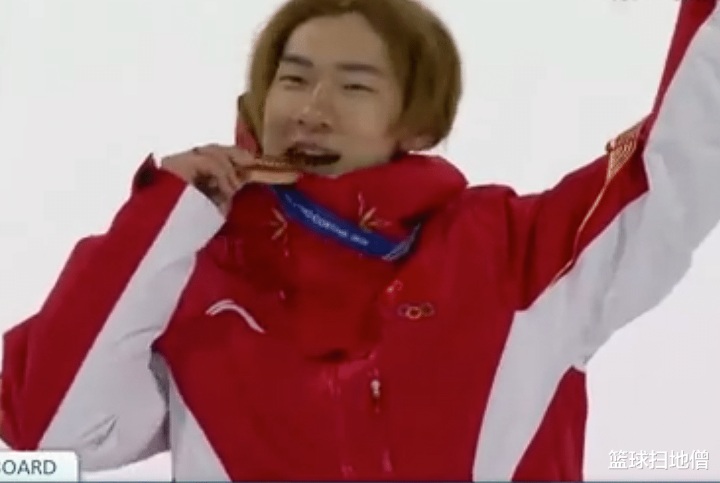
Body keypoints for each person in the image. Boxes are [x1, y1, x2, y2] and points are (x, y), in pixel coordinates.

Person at [1, 0, 718, 480]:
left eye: (354, 87)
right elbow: (47, 437)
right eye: (293, 79)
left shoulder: (513, 257)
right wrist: (158, 218)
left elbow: (681, 161)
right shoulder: (193, 284)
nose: (312, 110)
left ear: (416, 122)